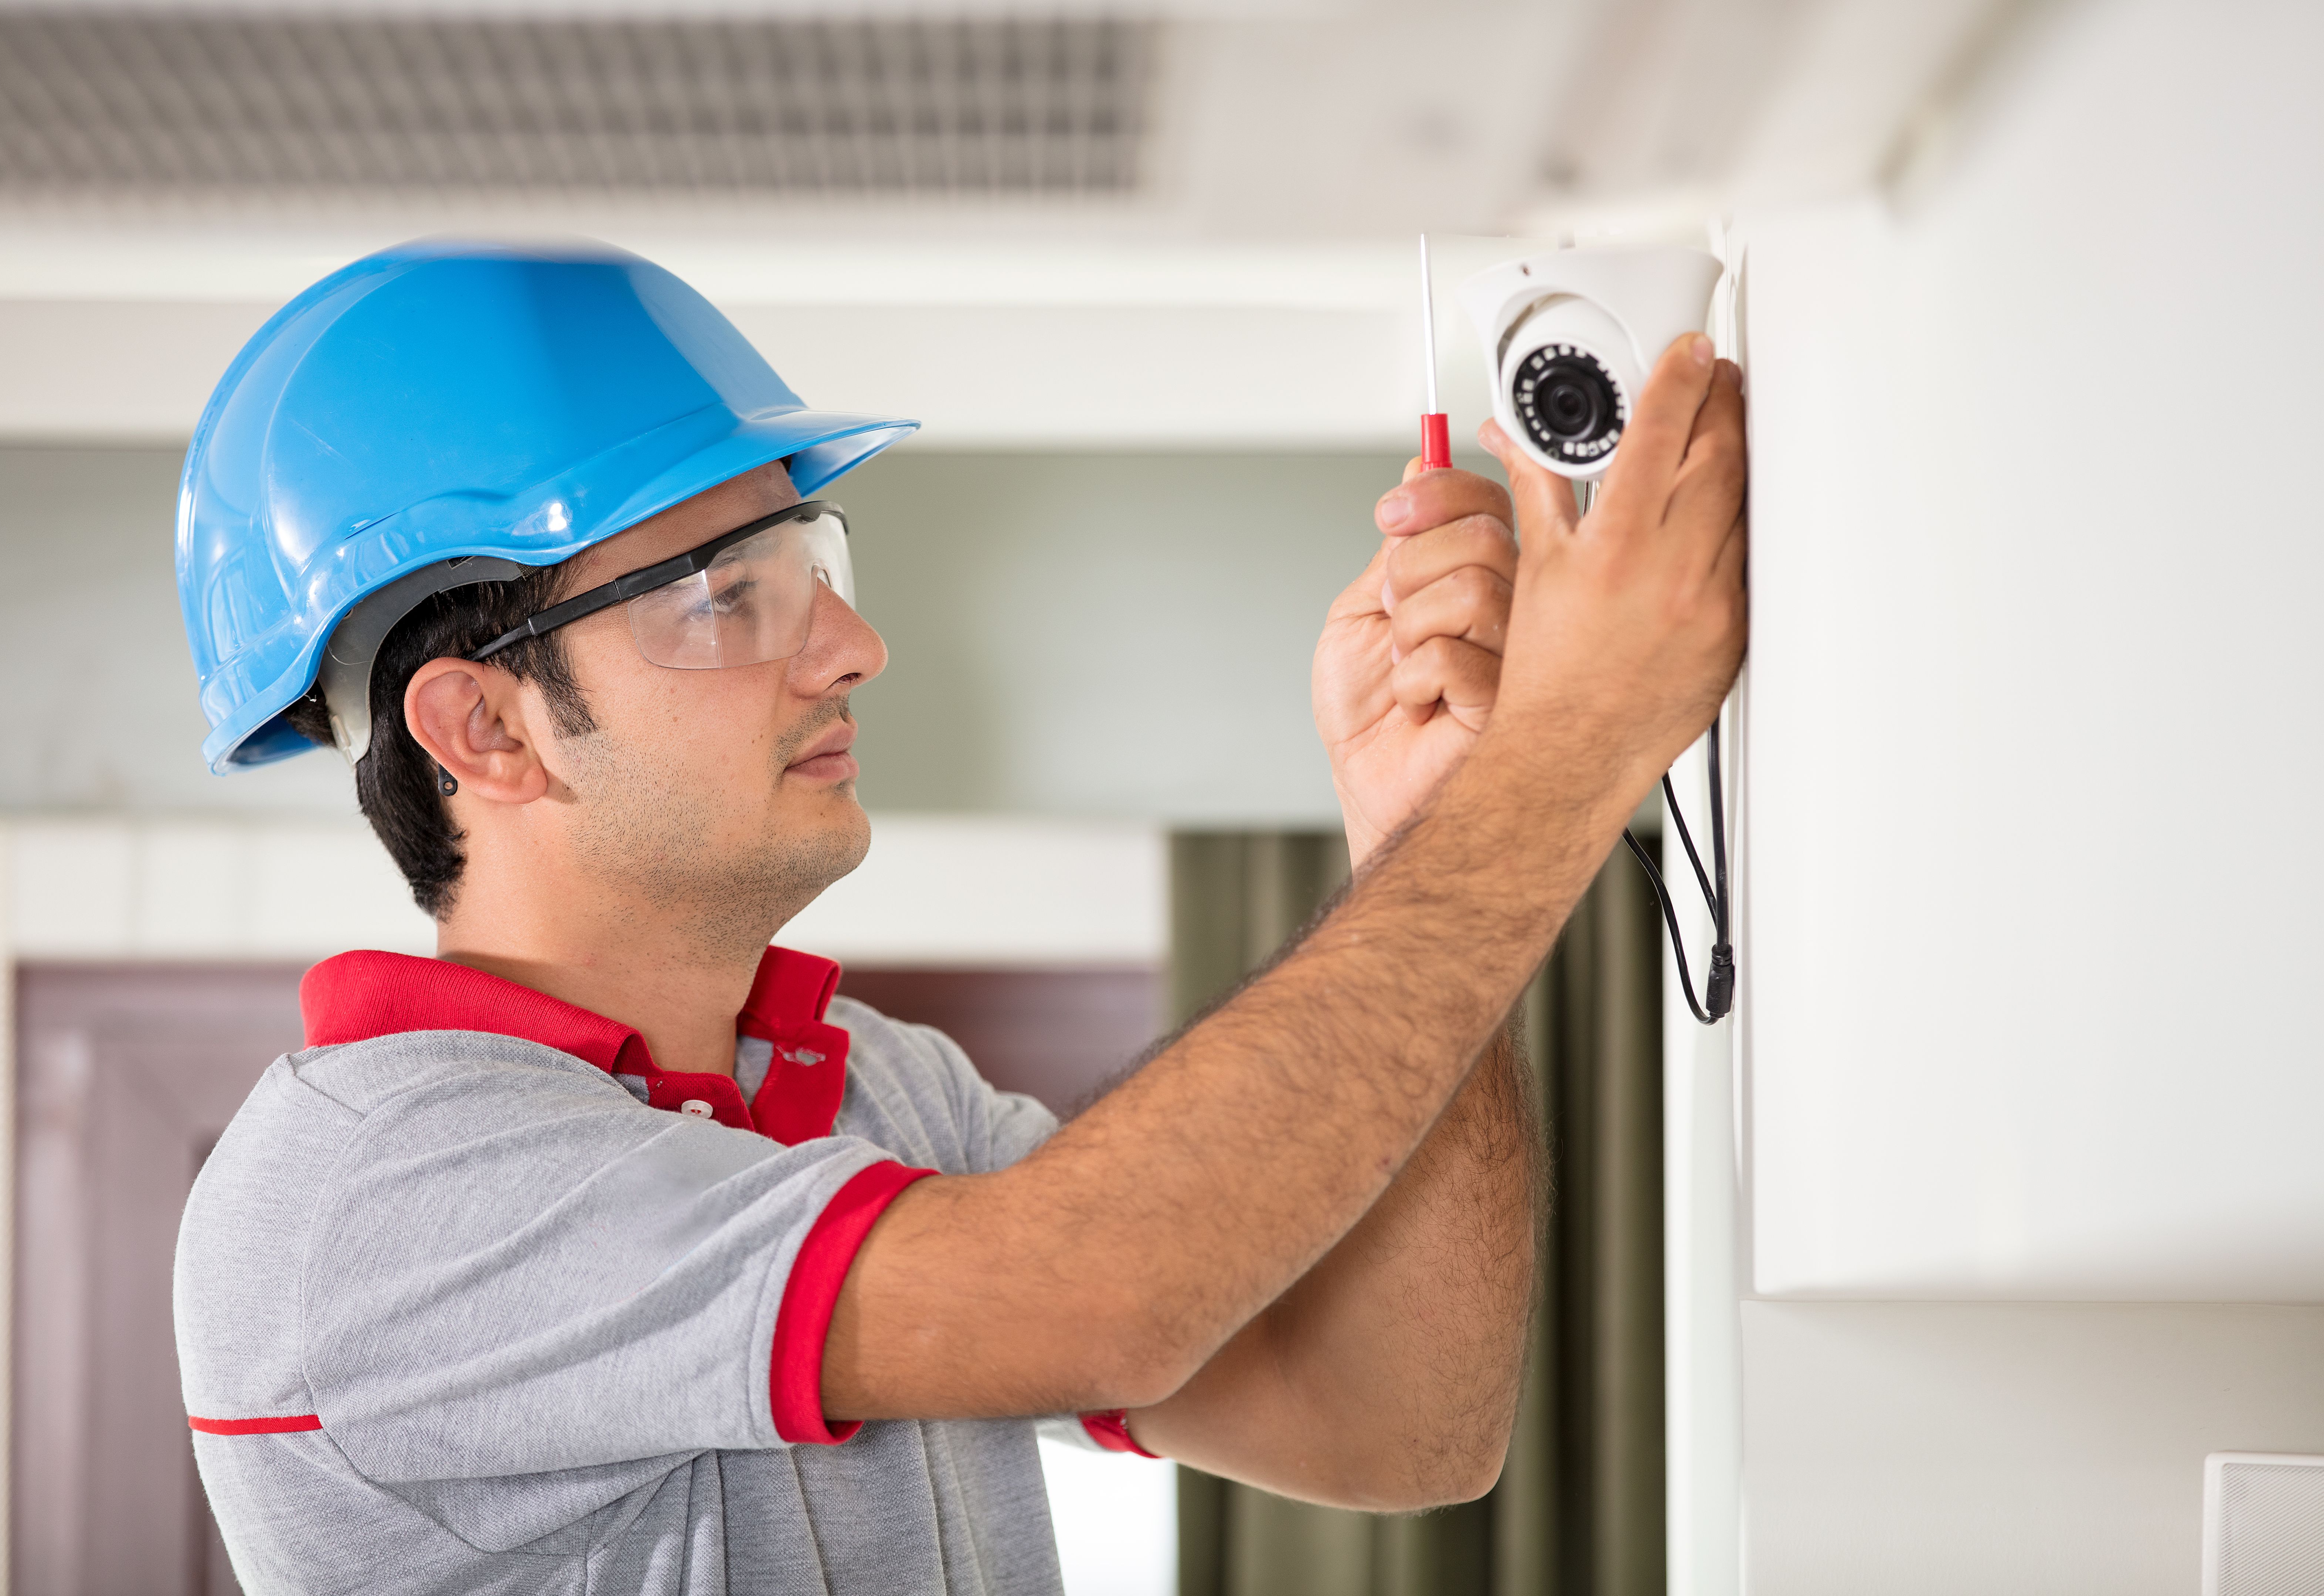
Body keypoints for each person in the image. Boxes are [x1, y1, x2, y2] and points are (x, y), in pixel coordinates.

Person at [173, 241, 1745, 1595]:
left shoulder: (876, 1092)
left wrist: (1420, 831)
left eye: (812, 561)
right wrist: (1562, 757)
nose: (851, 644)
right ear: (487, 732)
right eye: (730, 593)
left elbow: (1399, 1424)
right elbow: (1102, 1301)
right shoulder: (373, 1194)